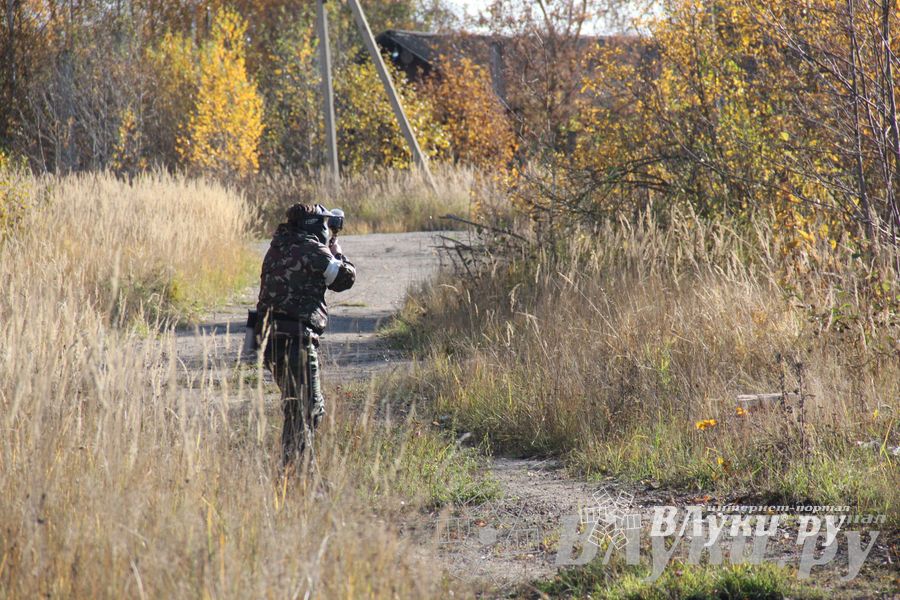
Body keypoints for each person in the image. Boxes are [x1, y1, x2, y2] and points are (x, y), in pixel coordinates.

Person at [256, 203, 356, 466]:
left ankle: (297, 476)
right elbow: (343, 280)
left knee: (298, 408)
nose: (326, 230)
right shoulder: (312, 248)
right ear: (313, 226)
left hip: (264, 337)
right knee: (308, 409)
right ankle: (297, 478)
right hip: (295, 336)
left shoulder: (276, 247)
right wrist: (338, 256)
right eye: (324, 225)